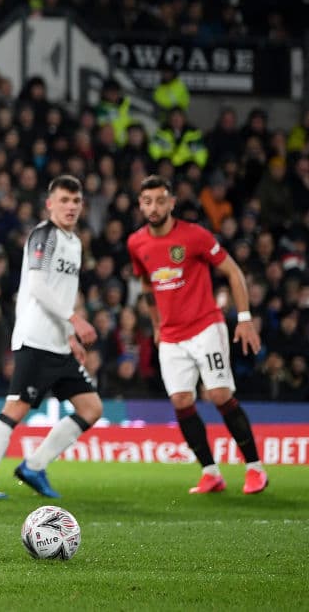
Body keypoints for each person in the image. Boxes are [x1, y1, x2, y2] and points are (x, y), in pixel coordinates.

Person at [127, 175, 267, 494]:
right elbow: (148, 284)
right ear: (140, 205)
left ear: (172, 202)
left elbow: (232, 271)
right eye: (147, 201)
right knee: (180, 400)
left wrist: (244, 318)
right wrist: (157, 324)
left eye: (160, 200)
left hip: (206, 326)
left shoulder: (195, 236)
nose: (154, 207)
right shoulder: (136, 242)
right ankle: (210, 472)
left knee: (218, 394)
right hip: (172, 335)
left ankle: (255, 468)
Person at [0, 175, 102, 500]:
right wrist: (74, 320)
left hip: (59, 343)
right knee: (15, 409)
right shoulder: (44, 235)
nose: (70, 206)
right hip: (36, 340)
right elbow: (39, 286)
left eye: (76, 201)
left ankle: (34, 466)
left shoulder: (75, 242)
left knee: (91, 408)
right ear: (50, 204)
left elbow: (63, 293)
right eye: (64, 200)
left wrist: (70, 336)